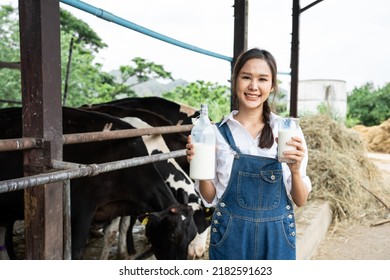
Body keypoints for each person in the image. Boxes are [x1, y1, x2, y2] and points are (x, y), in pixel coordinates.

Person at [186, 48, 312, 260]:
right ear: (235, 81)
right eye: (246, 77)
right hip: (230, 237)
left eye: (262, 79)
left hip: (276, 238)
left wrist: (296, 171)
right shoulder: (215, 134)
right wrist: (200, 165)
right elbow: (209, 197)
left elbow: (301, 200)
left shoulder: (288, 131)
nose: (253, 86)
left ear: (272, 86)